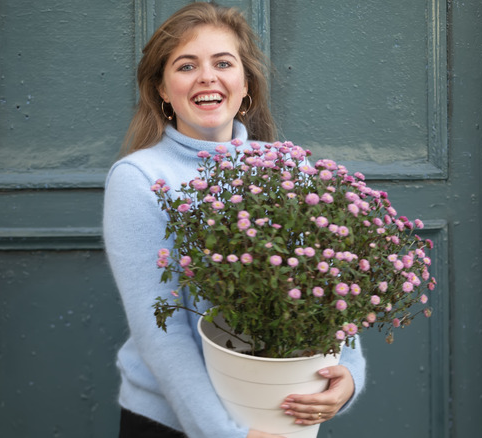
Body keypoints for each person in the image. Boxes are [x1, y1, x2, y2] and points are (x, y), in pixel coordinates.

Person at [103, 3, 366, 437]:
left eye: (223, 63)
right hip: (179, 423)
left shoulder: (286, 170)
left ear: (246, 85)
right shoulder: (141, 178)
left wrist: (349, 373)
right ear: (162, 90)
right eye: (186, 65)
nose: (207, 76)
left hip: (279, 416)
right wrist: (227, 434)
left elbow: (328, 292)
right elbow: (160, 333)